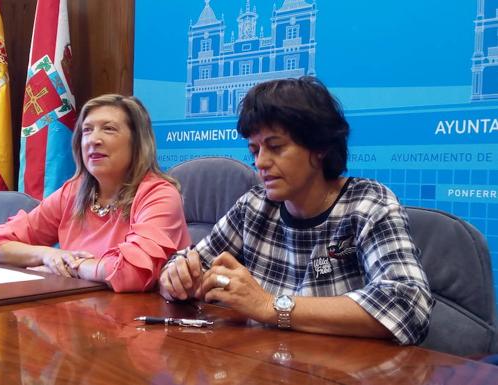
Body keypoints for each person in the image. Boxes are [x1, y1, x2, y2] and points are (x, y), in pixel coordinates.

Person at [159, 77, 434, 345]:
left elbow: (408, 305)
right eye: (254, 150)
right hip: (263, 364)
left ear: (320, 147)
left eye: (276, 147)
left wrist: (269, 306)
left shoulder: (368, 204)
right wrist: (177, 277)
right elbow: (188, 261)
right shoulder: (254, 205)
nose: (261, 162)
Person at [0, 94, 191, 292]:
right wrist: (48, 255)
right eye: (87, 130)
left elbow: (131, 272)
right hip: (78, 317)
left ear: (137, 143)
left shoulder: (159, 195)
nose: (92, 140)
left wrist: (72, 267)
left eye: (109, 129)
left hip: (140, 325)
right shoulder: (73, 191)